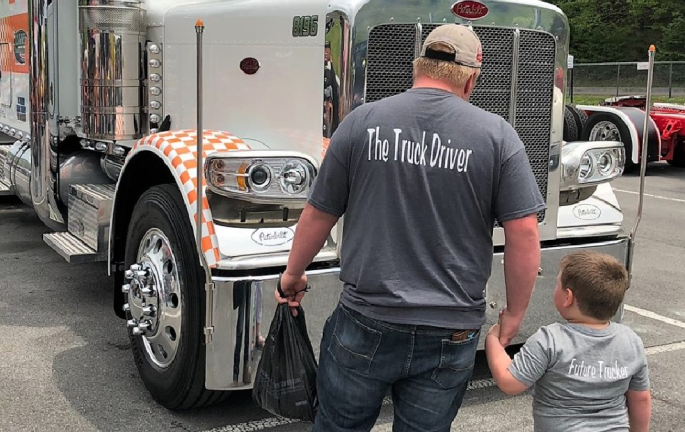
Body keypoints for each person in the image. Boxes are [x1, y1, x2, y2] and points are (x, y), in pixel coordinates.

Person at [276, 24, 544, 431]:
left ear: (417, 65)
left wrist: (292, 276)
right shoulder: (498, 137)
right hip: (452, 330)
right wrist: (513, 315)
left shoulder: (361, 122)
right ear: (472, 76)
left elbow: (319, 212)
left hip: (366, 320)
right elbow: (523, 233)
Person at [485, 251, 651, 432]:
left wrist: (492, 338)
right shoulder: (631, 341)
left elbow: (510, 382)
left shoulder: (550, 340)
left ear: (568, 297)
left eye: (557, 284)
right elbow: (641, 398)